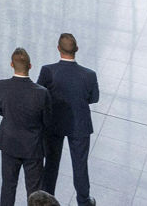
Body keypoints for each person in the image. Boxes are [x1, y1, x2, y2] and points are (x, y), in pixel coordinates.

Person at [37, 33, 99, 206]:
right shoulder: (89, 75)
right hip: (80, 125)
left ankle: (46, 199)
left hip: (53, 124)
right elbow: (94, 98)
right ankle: (84, 200)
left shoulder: (48, 70)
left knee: (51, 163)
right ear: (77, 49)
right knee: (80, 165)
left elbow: (39, 95)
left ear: (58, 48)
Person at [0, 48, 50, 206]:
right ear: (30, 66)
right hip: (33, 148)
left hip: (9, 144)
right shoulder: (42, 93)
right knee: (34, 191)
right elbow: (47, 120)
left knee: (8, 186)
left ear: (12, 64)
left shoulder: (0, 86)